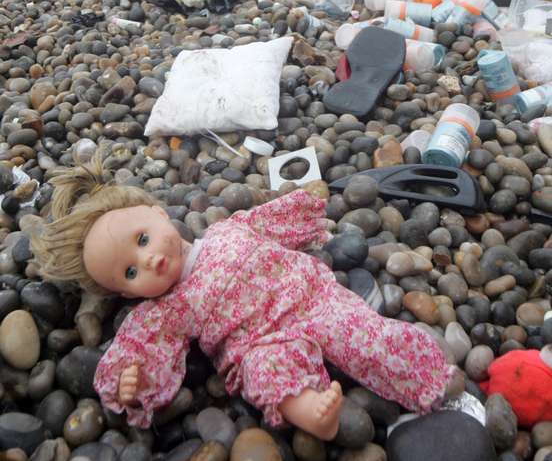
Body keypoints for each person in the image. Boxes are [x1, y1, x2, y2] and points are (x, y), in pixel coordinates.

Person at [31, 151, 463, 439]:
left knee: (365, 333)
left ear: (158, 214)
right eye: (130, 271)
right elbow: (143, 347)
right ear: (124, 293)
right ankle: (312, 412)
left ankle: (430, 378)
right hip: (261, 343)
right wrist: (132, 378)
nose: (148, 261)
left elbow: (271, 219)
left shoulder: (226, 228)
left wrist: (310, 215)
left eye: (143, 239)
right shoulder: (167, 309)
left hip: (310, 299)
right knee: (264, 373)